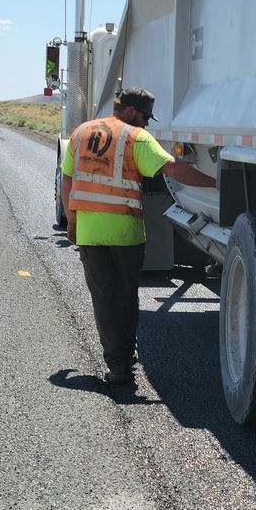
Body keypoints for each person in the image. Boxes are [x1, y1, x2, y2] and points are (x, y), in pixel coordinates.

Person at [60, 86, 216, 388]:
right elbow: (173, 170)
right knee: (126, 296)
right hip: (126, 234)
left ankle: (117, 364)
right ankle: (124, 357)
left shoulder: (80, 133)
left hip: (91, 234)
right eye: (145, 116)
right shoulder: (136, 138)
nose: (146, 123)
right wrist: (216, 183)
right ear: (131, 111)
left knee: (104, 299)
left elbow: (68, 178)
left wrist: (72, 221)